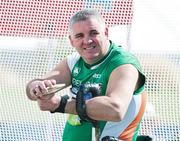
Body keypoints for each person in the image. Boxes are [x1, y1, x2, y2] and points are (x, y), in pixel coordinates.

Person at [26, 9, 147, 141]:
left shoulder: (123, 64)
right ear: (71, 40)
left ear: (106, 32)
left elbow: (115, 109)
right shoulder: (73, 61)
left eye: (93, 33)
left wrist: (60, 104)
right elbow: (34, 87)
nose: (87, 41)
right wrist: (36, 88)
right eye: (79, 36)